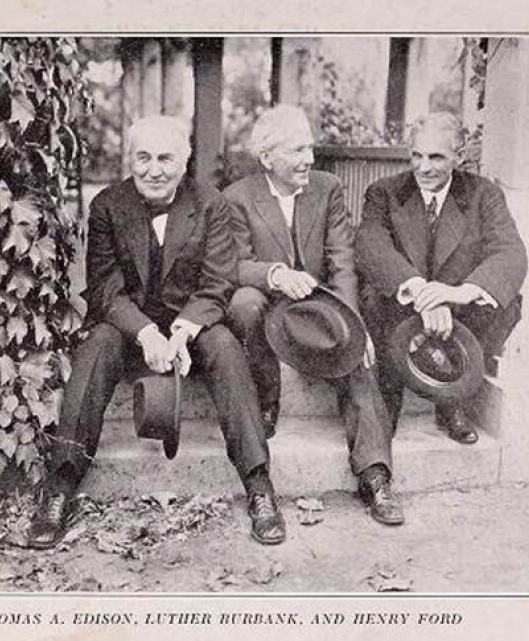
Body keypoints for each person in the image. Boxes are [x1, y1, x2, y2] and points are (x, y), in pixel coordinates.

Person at [27, 116, 285, 548]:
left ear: (184, 160)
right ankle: (59, 486)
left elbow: (218, 283)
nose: (153, 169)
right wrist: (146, 334)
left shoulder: (211, 204)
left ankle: (259, 485)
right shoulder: (108, 204)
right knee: (97, 345)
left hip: (193, 326)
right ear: (132, 160)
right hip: (130, 329)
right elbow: (106, 289)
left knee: (225, 346)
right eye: (143, 158)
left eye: (165, 158)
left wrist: (183, 332)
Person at [224, 105, 403, 526]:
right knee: (242, 304)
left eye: (310, 147)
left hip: (320, 305)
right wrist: (275, 274)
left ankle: (375, 475)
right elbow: (232, 264)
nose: (309, 159)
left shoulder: (328, 188)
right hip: (270, 303)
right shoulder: (238, 197)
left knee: (354, 351)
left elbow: (342, 260)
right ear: (267, 158)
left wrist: (354, 326)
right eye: (297, 150)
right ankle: (267, 401)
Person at [356, 112, 527, 443]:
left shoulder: (483, 194)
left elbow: (511, 254)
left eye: (436, 157)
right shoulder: (385, 192)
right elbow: (369, 245)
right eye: (417, 155)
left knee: (506, 303)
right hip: (405, 305)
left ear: (459, 156)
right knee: (374, 297)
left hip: (459, 311)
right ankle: (388, 397)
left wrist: (458, 293)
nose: (423, 167)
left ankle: (453, 396)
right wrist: (421, 291)